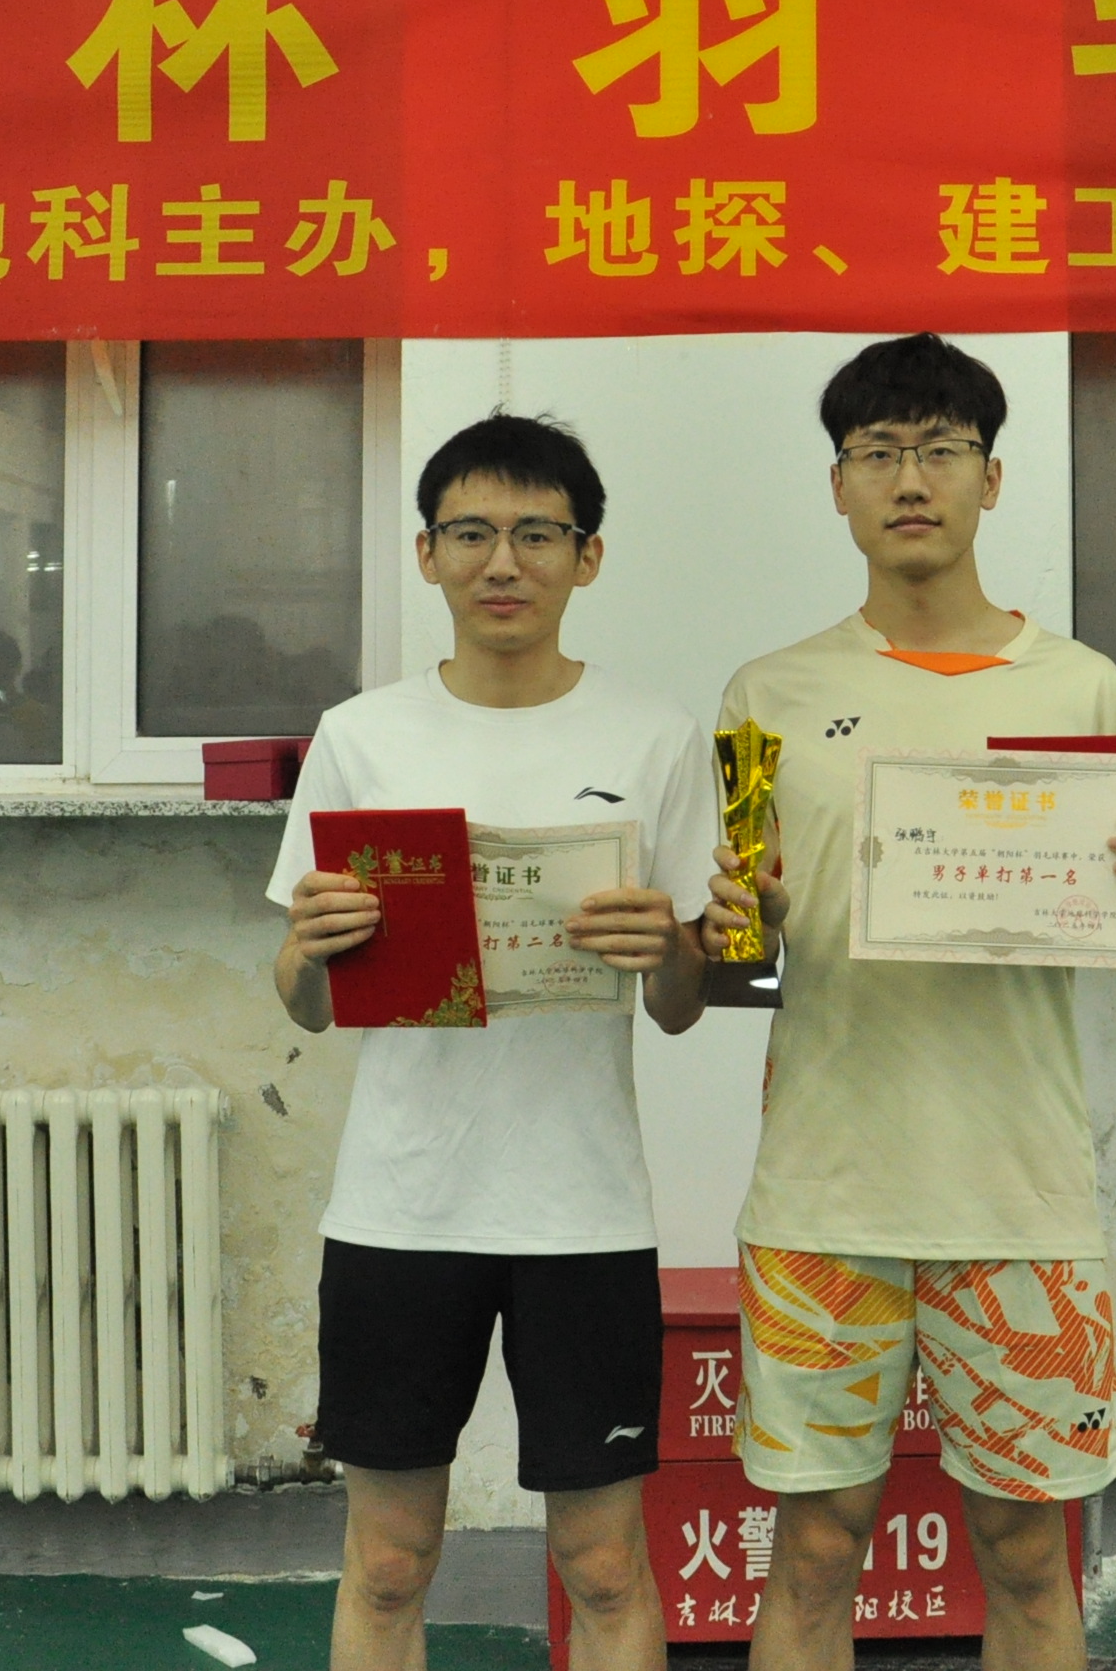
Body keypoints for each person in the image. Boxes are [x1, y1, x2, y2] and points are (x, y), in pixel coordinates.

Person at [702, 336, 1116, 1671]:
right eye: (878, 452)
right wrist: (738, 930)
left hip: (1021, 1198)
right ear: (838, 486)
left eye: (939, 449)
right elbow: (738, 969)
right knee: (814, 1551)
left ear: (992, 478)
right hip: (824, 1197)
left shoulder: (1084, 688)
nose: (909, 479)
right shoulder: (763, 698)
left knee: (1031, 1555)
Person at [271, 411, 720, 1671]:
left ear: (588, 555)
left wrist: (668, 946)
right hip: (401, 1204)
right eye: (470, 532)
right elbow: (303, 1002)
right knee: (389, 1557)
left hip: (584, 1209)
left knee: (605, 1562)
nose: (503, 562)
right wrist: (311, 945)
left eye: (537, 533)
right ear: (427, 554)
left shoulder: (655, 736)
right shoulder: (361, 735)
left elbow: (686, 1003)